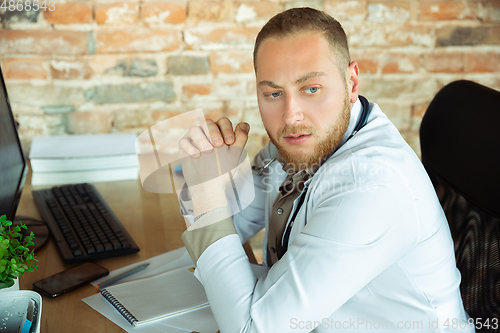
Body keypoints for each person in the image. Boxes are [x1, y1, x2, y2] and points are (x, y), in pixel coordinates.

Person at [177, 7, 473, 333]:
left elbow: (252, 329)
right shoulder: (296, 145)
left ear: (351, 83)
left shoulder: (374, 186)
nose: (291, 116)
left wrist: (207, 194)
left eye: (311, 89)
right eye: (274, 93)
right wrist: (212, 172)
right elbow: (230, 222)